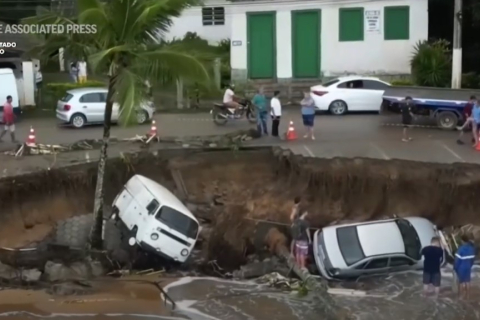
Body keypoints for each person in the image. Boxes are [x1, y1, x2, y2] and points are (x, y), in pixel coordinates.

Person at [454, 235, 475, 299]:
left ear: (462, 241)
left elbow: (457, 260)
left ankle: (461, 296)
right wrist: (470, 265)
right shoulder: (471, 249)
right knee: (467, 281)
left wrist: (455, 268)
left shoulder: (461, 249)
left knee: (461, 282)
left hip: (461, 267)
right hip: (468, 266)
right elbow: (472, 259)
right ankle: (468, 295)